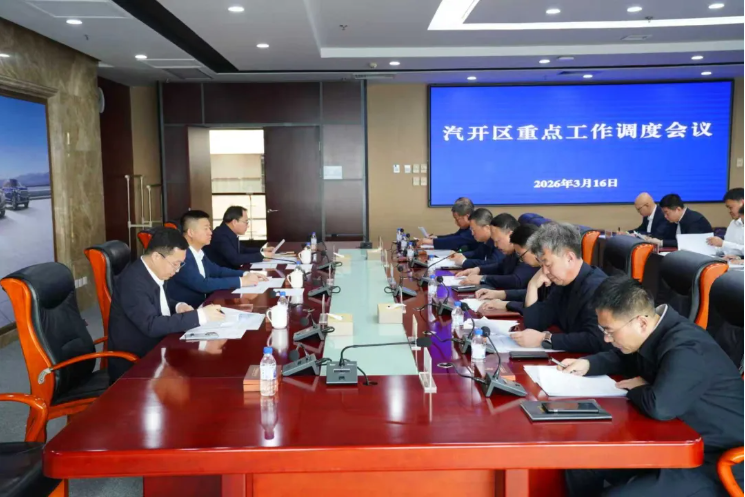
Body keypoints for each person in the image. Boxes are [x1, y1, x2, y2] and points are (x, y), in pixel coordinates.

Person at [560, 276, 744, 497]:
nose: (606, 339)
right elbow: (625, 359)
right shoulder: (654, 333)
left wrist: (636, 389)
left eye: (609, 331)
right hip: (673, 441)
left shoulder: (686, 347)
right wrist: (589, 363)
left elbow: (660, 406)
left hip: (715, 461)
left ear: (641, 323)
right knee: (580, 462)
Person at [107, 228, 225, 382]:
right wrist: (200, 315)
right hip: (137, 365)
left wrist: (178, 306)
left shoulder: (153, 270)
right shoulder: (133, 282)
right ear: (157, 257)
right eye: (175, 264)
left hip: (159, 350)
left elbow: (158, 301)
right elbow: (151, 325)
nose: (177, 270)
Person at [511, 222, 608, 353]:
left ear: (569, 258)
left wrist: (545, 339)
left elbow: (597, 340)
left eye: (548, 264)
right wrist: (532, 285)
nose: (544, 272)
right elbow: (535, 324)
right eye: (542, 265)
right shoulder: (562, 283)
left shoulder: (597, 287)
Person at [167, 210, 267, 308]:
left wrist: (246, 274)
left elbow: (218, 271)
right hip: (188, 310)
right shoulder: (182, 256)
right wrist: (241, 281)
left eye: (209, 228)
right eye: (205, 229)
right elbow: (203, 284)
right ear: (191, 232)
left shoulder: (199, 252)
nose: (210, 233)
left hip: (205, 305)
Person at [457, 220, 539, 290]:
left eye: (497, 241)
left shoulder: (526, 251)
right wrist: (479, 269)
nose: (495, 245)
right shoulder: (515, 252)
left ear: (510, 235)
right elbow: (500, 266)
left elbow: (517, 280)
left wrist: (483, 279)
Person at [204, 206, 274, 269]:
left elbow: (243, 250)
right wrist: (261, 256)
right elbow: (235, 259)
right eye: (246, 222)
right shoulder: (220, 235)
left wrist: (262, 250)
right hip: (222, 275)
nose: (247, 226)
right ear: (234, 222)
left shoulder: (227, 232)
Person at [645, 194, 713, 248]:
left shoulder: (694, 220)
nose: (665, 216)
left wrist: (661, 242)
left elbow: (687, 243)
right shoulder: (673, 221)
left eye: (667, 213)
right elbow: (666, 236)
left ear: (678, 209)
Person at [707, 188, 744, 257]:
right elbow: (726, 248)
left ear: (742, 203)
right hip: (728, 260)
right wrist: (709, 248)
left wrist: (723, 244)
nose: (729, 211)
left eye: (731, 207)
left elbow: (725, 245)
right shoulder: (733, 223)